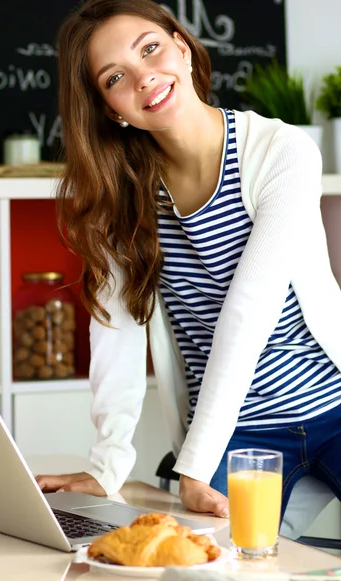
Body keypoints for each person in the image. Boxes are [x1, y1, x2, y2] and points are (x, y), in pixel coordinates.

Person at [36, 0, 341, 535]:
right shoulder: (121, 199)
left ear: (181, 43)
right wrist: (106, 466)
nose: (145, 77)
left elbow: (250, 312)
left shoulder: (282, 150)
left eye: (150, 48)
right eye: (116, 78)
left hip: (332, 405)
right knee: (209, 573)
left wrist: (194, 465)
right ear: (111, 110)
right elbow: (117, 332)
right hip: (236, 433)